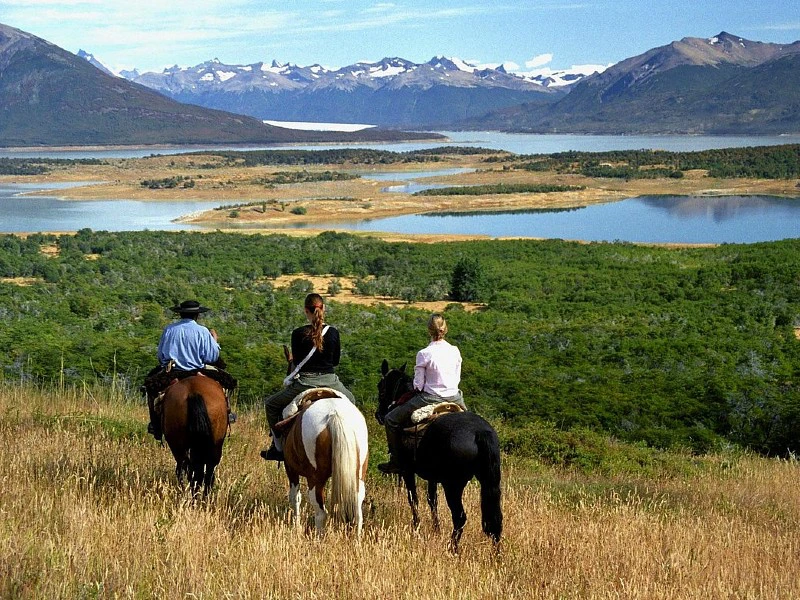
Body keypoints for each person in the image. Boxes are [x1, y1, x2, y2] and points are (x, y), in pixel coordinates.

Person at [262, 292, 356, 461]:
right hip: (330, 381)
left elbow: (297, 361)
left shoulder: (298, 333)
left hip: (305, 383)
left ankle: (277, 447)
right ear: (323, 308)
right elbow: (335, 362)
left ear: (306, 310)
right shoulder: (333, 333)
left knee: (271, 405)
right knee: (352, 402)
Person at [378, 313, 467, 475]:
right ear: (445, 329)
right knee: (469, 421)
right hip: (455, 397)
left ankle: (396, 461)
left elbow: (418, 386)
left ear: (429, 331)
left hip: (429, 398)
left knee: (390, 420)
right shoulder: (455, 350)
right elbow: (457, 378)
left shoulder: (424, 354)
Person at [143, 299, 237, 441]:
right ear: (197, 315)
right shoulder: (203, 331)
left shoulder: (169, 330)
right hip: (197, 369)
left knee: (151, 388)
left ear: (180, 314)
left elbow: (161, 355)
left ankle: (155, 424)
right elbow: (212, 356)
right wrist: (215, 342)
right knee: (225, 382)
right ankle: (227, 413)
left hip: (174, 370)